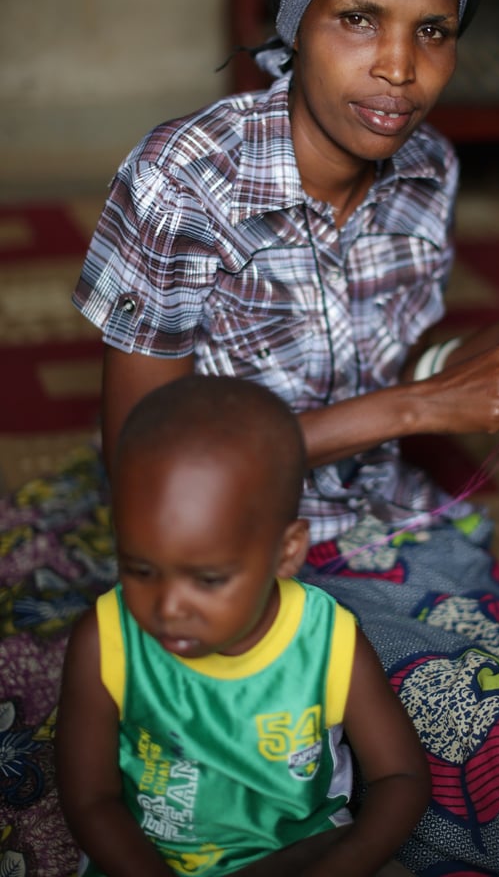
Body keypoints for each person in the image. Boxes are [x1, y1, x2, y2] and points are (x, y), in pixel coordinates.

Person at [71, 0, 499, 875]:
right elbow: (139, 450)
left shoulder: (425, 168)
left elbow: (398, 363)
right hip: (226, 553)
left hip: (386, 518)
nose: (398, 67)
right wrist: (417, 400)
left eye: (431, 31)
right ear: (293, 20)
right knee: (275, 771)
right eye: (357, 18)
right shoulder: (182, 178)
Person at [55, 374, 430, 877]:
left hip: (301, 851)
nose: (168, 606)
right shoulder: (105, 640)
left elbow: (400, 776)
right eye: (140, 569)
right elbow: (92, 801)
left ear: (287, 551)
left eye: (208, 579)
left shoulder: (326, 640)